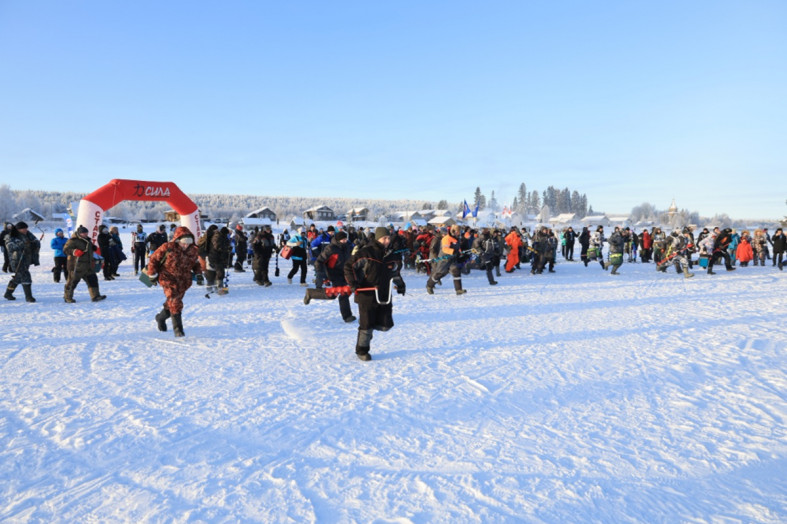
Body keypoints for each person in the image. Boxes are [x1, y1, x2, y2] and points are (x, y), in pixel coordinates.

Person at [344, 226, 406, 361]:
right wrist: (353, 283)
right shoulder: (367, 253)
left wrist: (400, 285)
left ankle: (367, 329)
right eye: (384, 238)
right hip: (366, 293)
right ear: (378, 238)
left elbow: (394, 273)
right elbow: (349, 266)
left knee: (385, 325)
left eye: (389, 238)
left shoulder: (392, 255)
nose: (387, 241)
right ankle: (362, 350)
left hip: (384, 293)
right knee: (366, 324)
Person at [147, 226, 202, 337]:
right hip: (167, 278)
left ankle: (160, 318)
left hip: (183, 281)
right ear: (177, 240)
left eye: (188, 243)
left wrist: (199, 274)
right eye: (183, 243)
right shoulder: (167, 247)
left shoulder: (193, 250)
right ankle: (178, 331)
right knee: (175, 301)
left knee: (171, 303)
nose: (186, 246)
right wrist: (152, 274)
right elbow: (153, 259)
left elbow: (196, 263)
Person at [306, 230, 356, 322]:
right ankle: (347, 316)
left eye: (346, 239)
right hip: (334, 273)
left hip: (344, 273)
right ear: (338, 240)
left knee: (336, 294)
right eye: (343, 240)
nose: (345, 241)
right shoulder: (331, 248)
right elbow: (319, 261)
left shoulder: (347, 247)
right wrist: (320, 273)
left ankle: (311, 293)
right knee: (343, 293)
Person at [63, 226, 106, 303]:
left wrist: (93, 247)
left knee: (93, 280)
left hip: (88, 265)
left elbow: (88, 249)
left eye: (86, 232)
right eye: (84, 233)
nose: (86, 234)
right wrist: (74, 251)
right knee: (72, 281)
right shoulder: (73, 240)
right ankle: (68, 297)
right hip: (76, 265)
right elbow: (66, 249)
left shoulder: (88, 240)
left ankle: (95, 296)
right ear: (79, 233)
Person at [3, 221, 41, 302]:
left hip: (27, 259)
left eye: (26, 228)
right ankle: (29, 297)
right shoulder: (10, 236)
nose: (25, 230)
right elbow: (10, 247)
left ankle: (8, 293)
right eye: (23, 229)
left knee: (18, 277)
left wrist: (35, 244)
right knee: (26, 276)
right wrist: (22, 244)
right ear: (18, 229)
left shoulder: (28, 234)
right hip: (17, 260)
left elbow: (36, 241)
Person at [427, 224, 467, 295]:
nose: (459, 233)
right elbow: (445, 249)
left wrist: (460, 254)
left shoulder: (457, 238)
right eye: (458, 231)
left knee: (456, 271)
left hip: (452, 259)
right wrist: (454, 252)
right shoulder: (447, 238)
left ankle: (458, 290)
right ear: (454, 231)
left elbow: (458, 248)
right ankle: (429, 285)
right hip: (444, 259)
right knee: (439, 274)